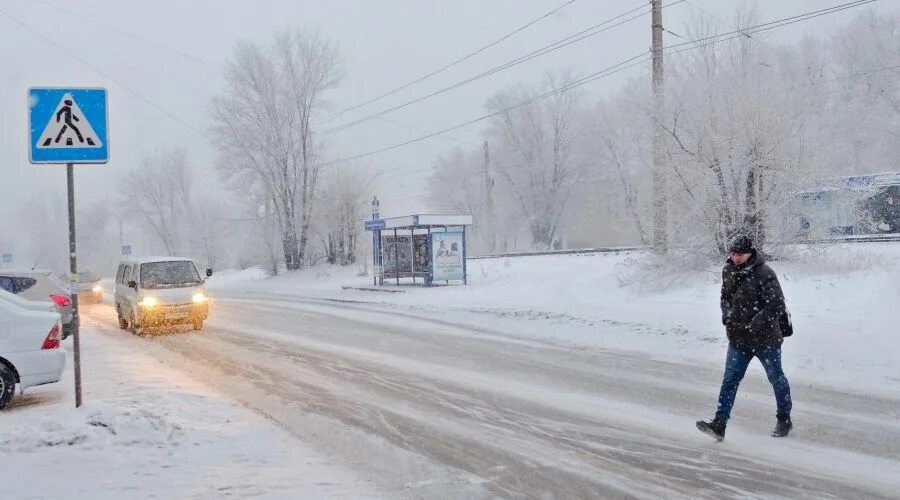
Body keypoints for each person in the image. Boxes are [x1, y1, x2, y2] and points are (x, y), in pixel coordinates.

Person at [697, 234, 793, 441]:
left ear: (749, 253)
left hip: (765, 340)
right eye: (732, 253)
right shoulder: (728, 270)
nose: (734, 257)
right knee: (730, 380)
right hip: (738, 339)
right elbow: (725, 297)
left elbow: (776, 305)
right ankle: (719, 423)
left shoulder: (764, 273)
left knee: (776, 377)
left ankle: (784, 418)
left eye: (739, 254)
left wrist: (756, 322)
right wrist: (727, 315)